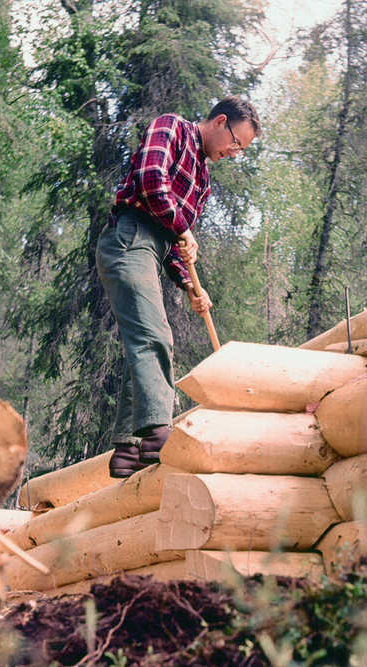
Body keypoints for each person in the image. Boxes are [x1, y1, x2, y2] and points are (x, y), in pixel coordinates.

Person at [96, 96, 260, 478]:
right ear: (220, 121)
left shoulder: (201, 181)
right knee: (154, 336)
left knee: (144, 342)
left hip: (153, 250)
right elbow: (151, 182)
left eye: (242, 151)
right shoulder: (171, 127)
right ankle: (157, 433)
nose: (235, 154)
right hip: (128, 238)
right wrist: (183, 228)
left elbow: (174, 245)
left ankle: (129, 448)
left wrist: (189, 285)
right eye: (236, 143)